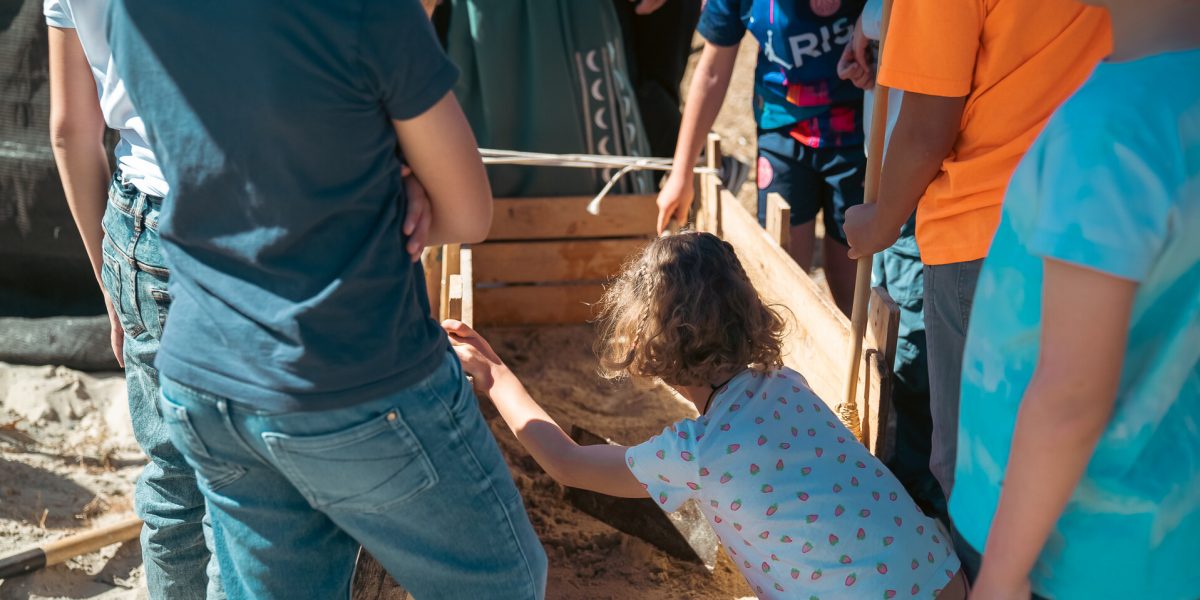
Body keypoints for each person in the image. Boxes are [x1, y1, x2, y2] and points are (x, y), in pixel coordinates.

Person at [105, 0, 547, 598]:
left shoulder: (133, 11)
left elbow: (236, 155)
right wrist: (405, 182)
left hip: (205, 374)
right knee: (507, 582)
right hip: (348, 372)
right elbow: (468, 211)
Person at [444, 232, 966, 599]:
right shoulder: (785, 383)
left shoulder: (698, 452)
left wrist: (496, 377)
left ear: (650, 347)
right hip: (945, 578)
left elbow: (568, 464)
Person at [950, 1, 1200, 597]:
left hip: (1072, 550)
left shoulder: (1112, 124)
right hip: (1169, 532)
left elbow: (1071, 396)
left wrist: (1003, 576)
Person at [841, 0, 1110, 508]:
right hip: (1111, 214)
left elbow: (925, 128)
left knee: (979, 476)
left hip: (991, 232)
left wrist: (878, 220)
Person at [44, 0, 223, 596]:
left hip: (136, 220)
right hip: (241, 213)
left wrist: (111, 282)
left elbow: (71, 129)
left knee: (173, 477)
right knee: (247, 496)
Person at [655, 0, 868, 314]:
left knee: (848, 275)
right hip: (781, 133)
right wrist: (681, 172)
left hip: (857, 136)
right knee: (784, 273)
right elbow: (712, 70)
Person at [835, 1, 943, 521]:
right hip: (889, 178)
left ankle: (912, 491)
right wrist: (868, 39)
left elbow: (903, 15)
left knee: (908, 345)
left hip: (913, 188)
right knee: (888, 322)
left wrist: (868, 23)